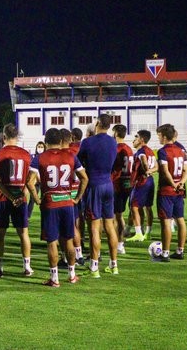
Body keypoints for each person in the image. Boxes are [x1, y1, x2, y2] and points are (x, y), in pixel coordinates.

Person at [27, 128, 88, 287]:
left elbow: (29, 182)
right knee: (68, 240)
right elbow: (84, 179)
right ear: (61, 142)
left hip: (50, 203)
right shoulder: (71, 156)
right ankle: (72, 274)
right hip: (67, 202)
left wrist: (37, 199)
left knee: (52, 241)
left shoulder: (40, 158)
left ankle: (54, 279)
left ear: (46, 142)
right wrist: (77, 198)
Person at [77, 114, 119, 276]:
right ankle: (113, 265)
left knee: (95, 227)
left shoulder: (88, 142)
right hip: (108, 184)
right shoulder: (113, 142)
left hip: (94, 185)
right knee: (109, 225)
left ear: (97, 124)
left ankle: (94, 267)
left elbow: (78, 162)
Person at [0, 124, 34, 277]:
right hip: (21, 198)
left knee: (0, 234)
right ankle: (27, 267)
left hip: (3, 197)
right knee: (23, 233)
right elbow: (31, 180)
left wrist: (10, 197)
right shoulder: (26, 154)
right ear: (17, 137)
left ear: (4, 137)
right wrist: (21, 195)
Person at [154, 124, 187, 262]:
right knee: (180, 219)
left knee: (166, 222)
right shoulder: (181, 150)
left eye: (159, 136)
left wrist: (173, 184)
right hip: (179, 191)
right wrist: (181, 183)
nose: (158, 138)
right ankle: (180, 251)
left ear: (163, 136)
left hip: (167, 191)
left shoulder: (163, 151)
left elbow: (165, 170)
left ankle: (165, 254)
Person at [126, 130, 157, 242]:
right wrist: (150, 171)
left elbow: (144, 162)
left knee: (134, 207)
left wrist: (146, 170)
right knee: (148, 207)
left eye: (136, 137)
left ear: (142, 140)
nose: (134, 140)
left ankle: (138, 233)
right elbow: (157, 167)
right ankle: (148, 232)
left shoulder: (141, 151)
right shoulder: (151, 151)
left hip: (141, 182)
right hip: (150, 181)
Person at [111, 124, 133, 255]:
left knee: (115, 216)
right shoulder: (129, 149)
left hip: (117, 184)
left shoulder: (117, 149)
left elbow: (114, 167)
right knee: (118, 215)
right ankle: (119, 243)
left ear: (115, 134)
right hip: (127, 184)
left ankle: (118, 244)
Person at [69, 128, 86, 264]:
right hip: (83, 187)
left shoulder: (69, 151)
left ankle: (72, 254)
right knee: (83, 218)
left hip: (68, 190)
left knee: (72, 223)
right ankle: (84, 244)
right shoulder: (86, 147)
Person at [27, 141, 46, 218]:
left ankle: (45, 214)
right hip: (35, 181)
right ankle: (27, 216)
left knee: (45, 199)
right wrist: (37, 178)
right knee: (32, 199)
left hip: (44, 181)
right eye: (39, 146)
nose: (40, 148)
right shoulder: (33, 157)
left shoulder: (46, 157)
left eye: (42, 147)